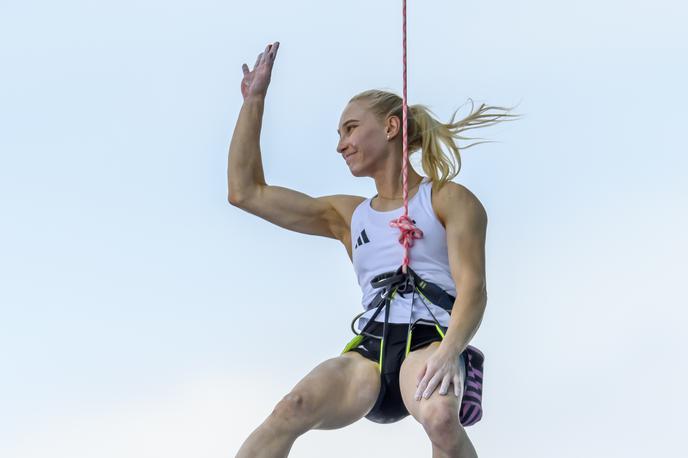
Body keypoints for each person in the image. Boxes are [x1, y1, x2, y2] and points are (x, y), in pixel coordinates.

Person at [229, 42, 519, 458]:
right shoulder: (349, 216)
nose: (341, 144)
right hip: (371, 349)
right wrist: (253, 103)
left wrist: (451, 350)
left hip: (431, 343)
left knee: (439, 417)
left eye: (350, 128)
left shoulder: (448, 199)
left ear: (390, 127)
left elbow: (473, 289)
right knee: (291, 408)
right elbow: (246, 193)